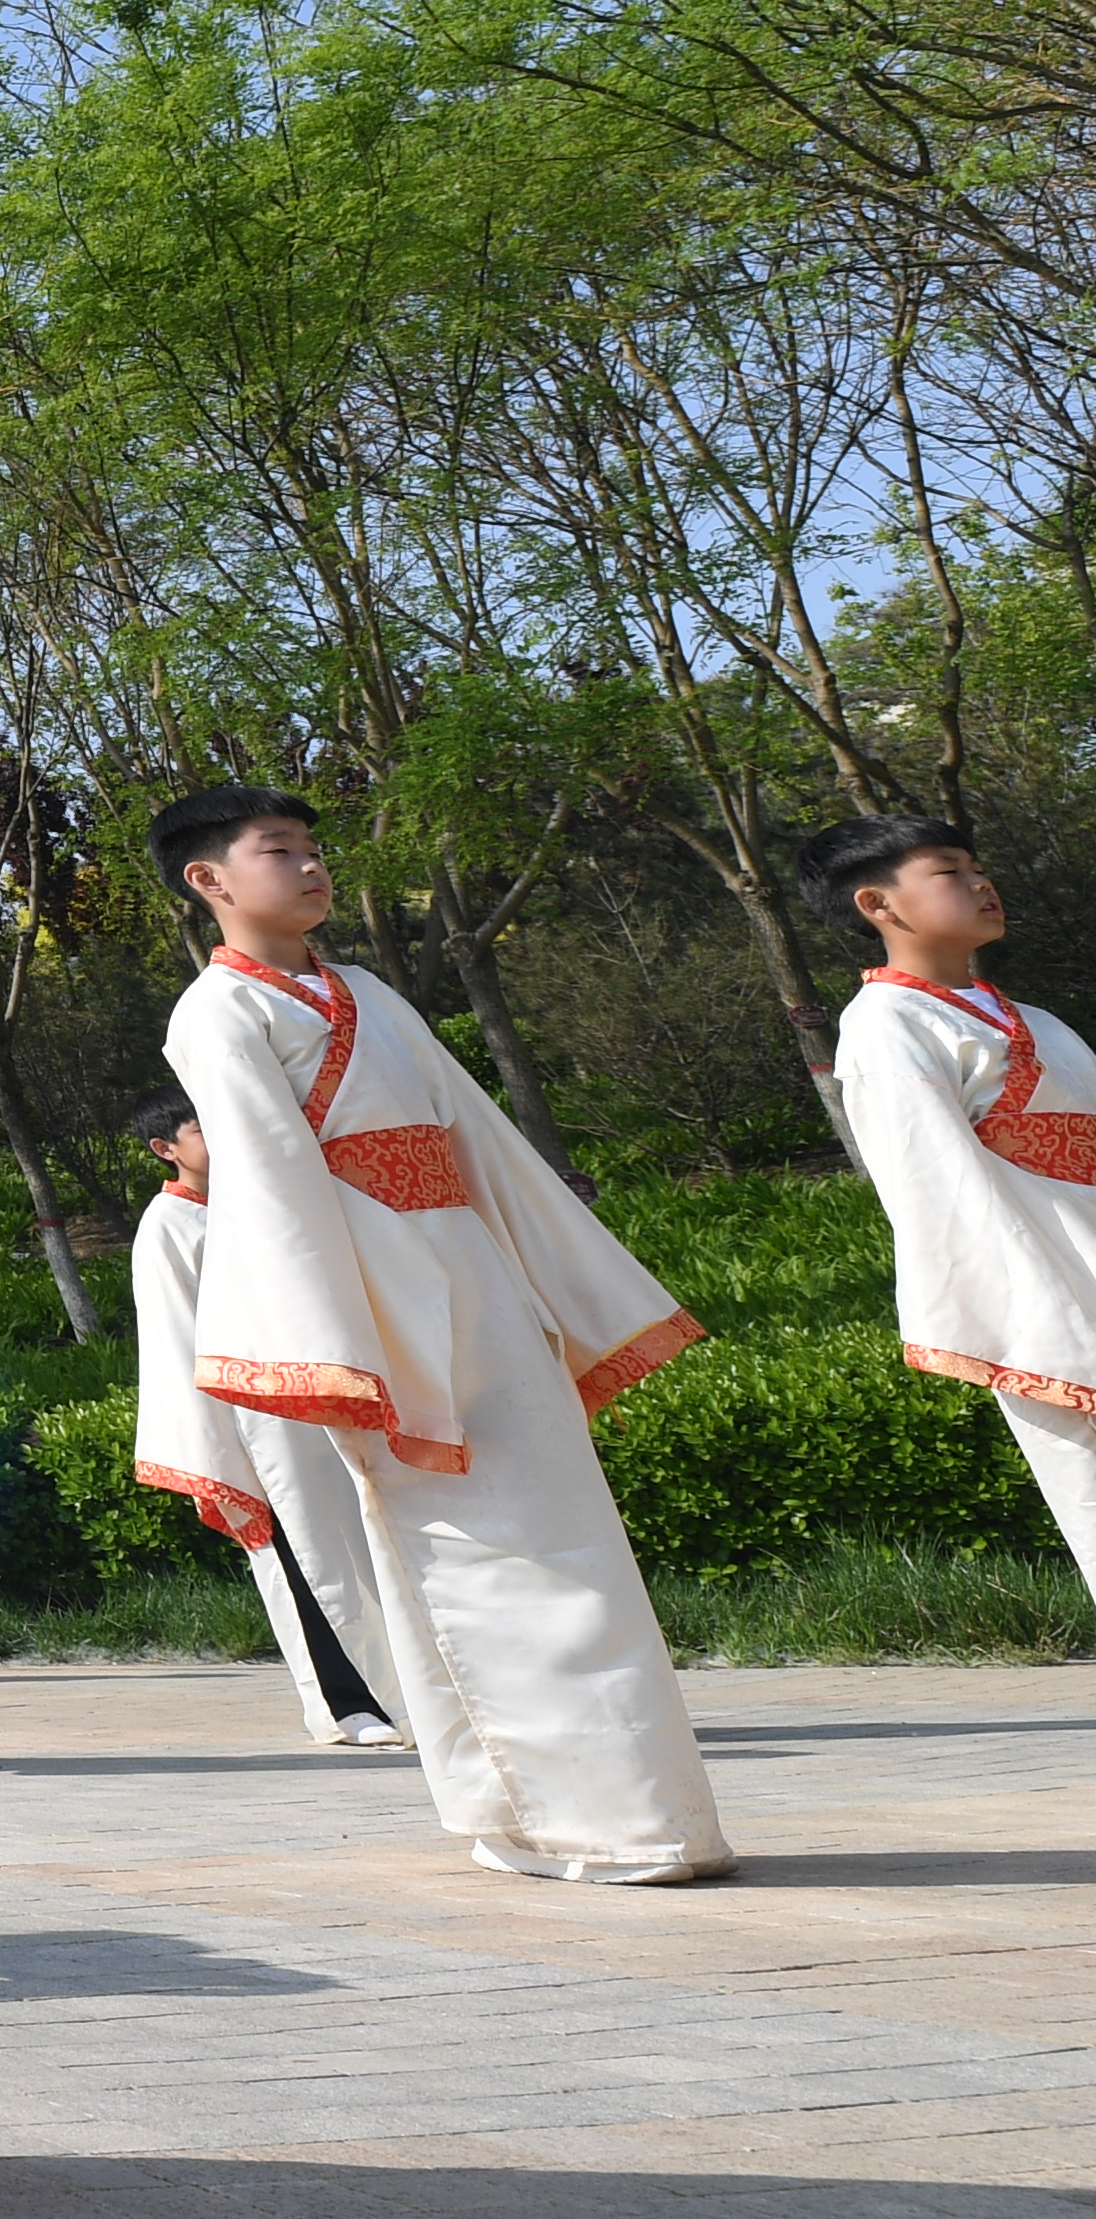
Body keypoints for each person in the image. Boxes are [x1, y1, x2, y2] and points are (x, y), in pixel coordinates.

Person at [157, 788, 730, 1883]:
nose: (312, 866)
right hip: (385, 1315)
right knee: (475, 1556)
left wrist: (551, 1288)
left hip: (479, 1282)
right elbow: (274, 1192)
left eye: (315, 849)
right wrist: (345, 1352)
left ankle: (596, 1812)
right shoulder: (215, 1013)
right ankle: (575, 1823)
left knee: (572, 1539)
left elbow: (482, 1143)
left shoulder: (369, 991)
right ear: (209, 879)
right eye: (280, 851)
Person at [818, 816, 1096, 1602]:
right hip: (1053, 1302)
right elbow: (935, 1186)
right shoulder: (885, 1024)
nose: (980, 882)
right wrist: (1046, 1320)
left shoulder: (1038, 1021)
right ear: (878, 904)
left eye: (978, 865)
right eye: (949, 870)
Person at [123, 1088, 407, 1748]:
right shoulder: (167, 1229)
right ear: (165, 1149)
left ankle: (402, 1693)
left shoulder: (257, 1205)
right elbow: (173, 1341)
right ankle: (343, 1705)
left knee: (365, 1548)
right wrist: (215, 1444)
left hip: (321, 1406)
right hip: (257, 1424)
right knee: (301, 1556)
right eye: (201, 1128)